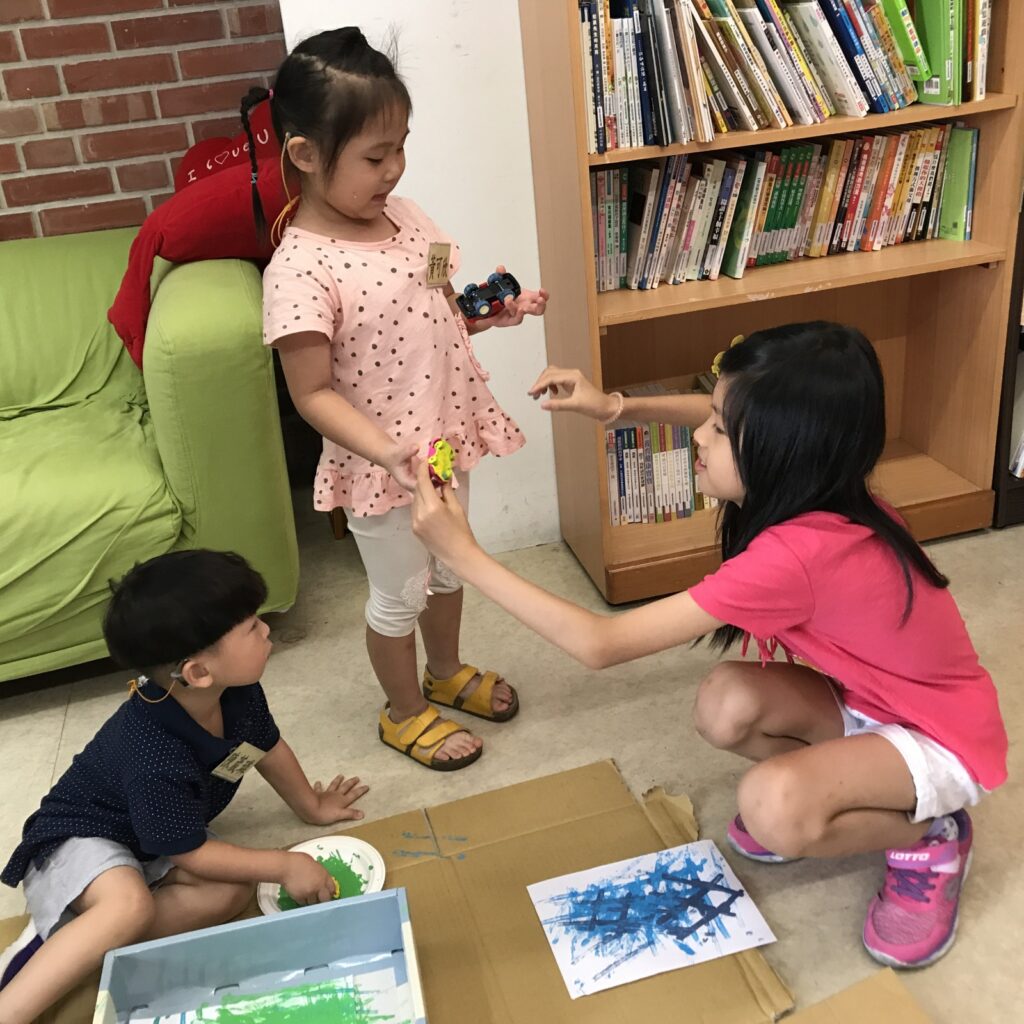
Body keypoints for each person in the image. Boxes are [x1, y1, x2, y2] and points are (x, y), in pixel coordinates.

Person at [410, 322, 1007, 969]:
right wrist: (614, 408)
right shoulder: (825, 487)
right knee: (725, 701)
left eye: (720, 429)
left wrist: (463, 556)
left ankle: (931, 835)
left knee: (772, 807)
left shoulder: (797, 556)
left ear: (779, 448)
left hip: (940, 738)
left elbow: (600, 643)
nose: (700, 434)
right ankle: (850, 788)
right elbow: (722, 410)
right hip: (872, 704)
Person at [245, 27, 548, 772]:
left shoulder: (409, 218)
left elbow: (437, 307)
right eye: (375, 157)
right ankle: (405, 711)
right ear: (305, 154)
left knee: (451, 567)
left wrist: (492, 313)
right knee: (399, 594)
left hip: (444, 441)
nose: (395, 169)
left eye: (401, 148)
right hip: (381, 468)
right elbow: (311, 393)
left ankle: (444, 672)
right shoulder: (301, 270)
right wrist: (388, 452)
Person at [0, 550, 368, 1023]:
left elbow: (265, 747)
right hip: (81, 836)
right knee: (128, 905)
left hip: (154, 841)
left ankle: (90, 941)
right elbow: (191, 852)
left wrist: (312, 806)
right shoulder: (153, 751)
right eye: (252, 627)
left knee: (231, 892)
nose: (266, 630)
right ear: (197, 672)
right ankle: (30, 972)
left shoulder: (237, 690)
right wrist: (285, 864)